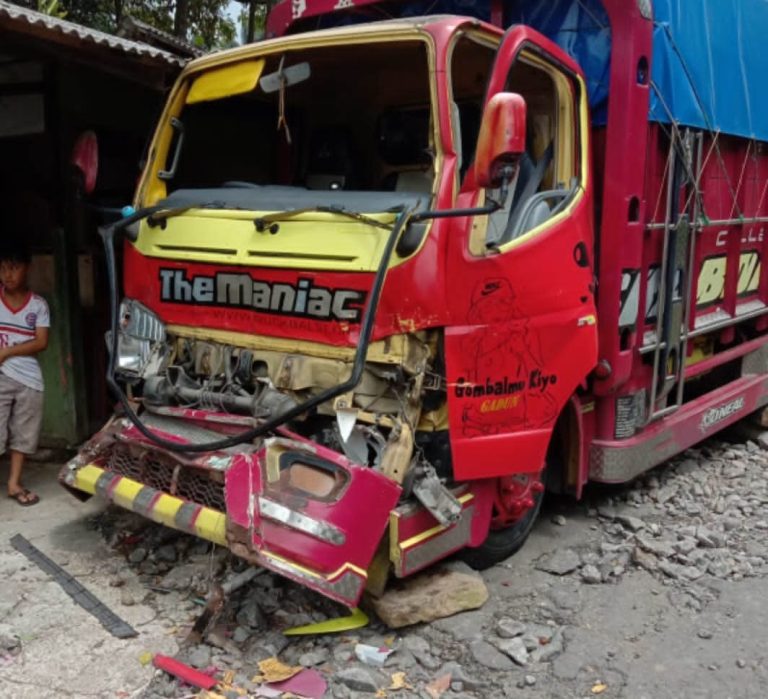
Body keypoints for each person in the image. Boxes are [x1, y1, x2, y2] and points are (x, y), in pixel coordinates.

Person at [0, 242, 49, 506]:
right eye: (3, 269)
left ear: (27, 270)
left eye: (14, 268)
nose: (8, 275)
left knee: (23, 433)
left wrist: (6, 352)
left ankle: (13, 483)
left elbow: (42, 342)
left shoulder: (38, 305)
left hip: (29, 379)